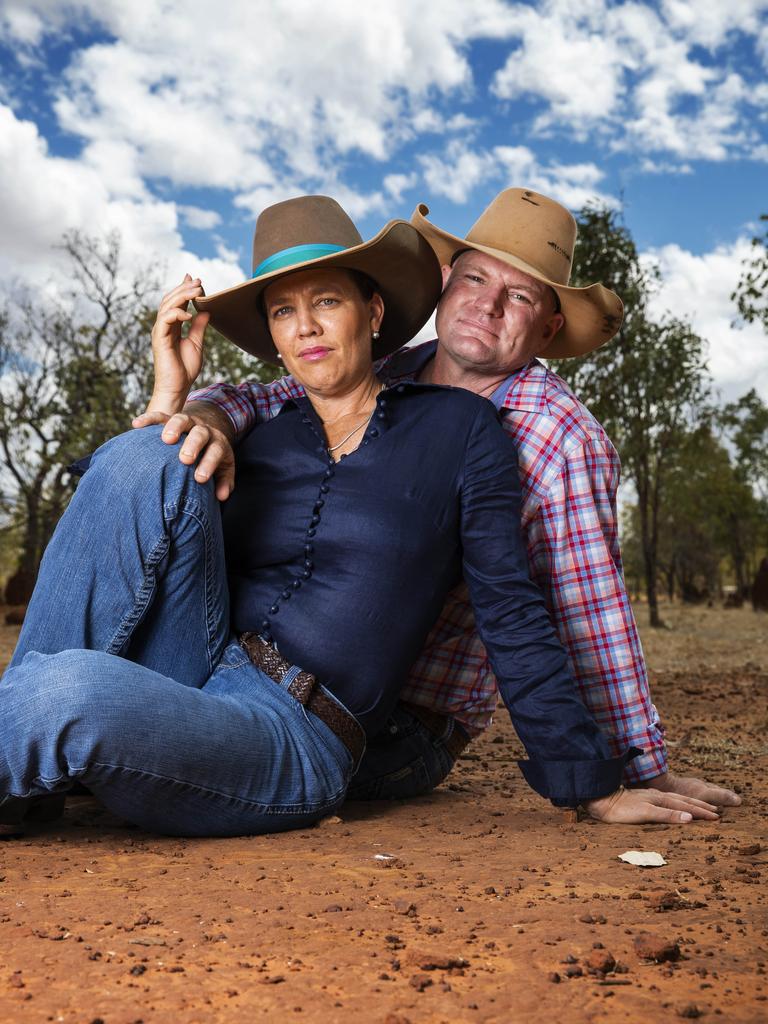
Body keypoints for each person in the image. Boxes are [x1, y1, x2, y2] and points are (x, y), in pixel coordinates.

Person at [2, 195, 717, 839]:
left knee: (68, 690)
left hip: (332, 725)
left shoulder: (494, 433)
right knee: (145, 456)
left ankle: (50, 732)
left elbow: (549, 607)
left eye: (519, 296)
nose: (307, 328)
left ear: (371, 314)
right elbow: (241, 402)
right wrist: (182, 404)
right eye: (284, 311)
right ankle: (33, 772)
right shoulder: (293, 409)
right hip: (207, 661)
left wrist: (614, 774)